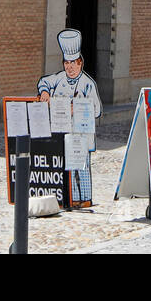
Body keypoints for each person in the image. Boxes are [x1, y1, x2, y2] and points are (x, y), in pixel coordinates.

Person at [37, 28, 103, 206]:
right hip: (64, 131)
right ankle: (73, 198)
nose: (70, 67)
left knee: (82, 166)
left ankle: (86, 199)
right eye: (67, 63)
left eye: (74, 63)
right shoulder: (58, 78)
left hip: (82, 133)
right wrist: (44, 91)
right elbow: (44, 82)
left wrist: (79, 108)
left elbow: (96, 110)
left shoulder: (88, 83)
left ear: (80, 63)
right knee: (69, 166)